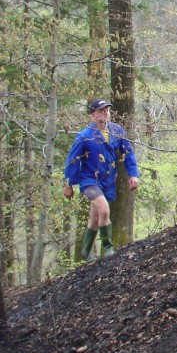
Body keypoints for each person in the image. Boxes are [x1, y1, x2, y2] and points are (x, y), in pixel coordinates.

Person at [63, 99, 139, 260]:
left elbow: (128, 153)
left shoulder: (117, 131)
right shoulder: (85, 136)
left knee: (96, 217)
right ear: (92, 115)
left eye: (106, 111)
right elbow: (73, 160)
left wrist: (133, 174)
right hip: (89, 181)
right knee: (104, 210)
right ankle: (108, 248)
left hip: (108, 180)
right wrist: (68, 184)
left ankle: (85, 251)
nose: (104, 114)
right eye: (100, 111)